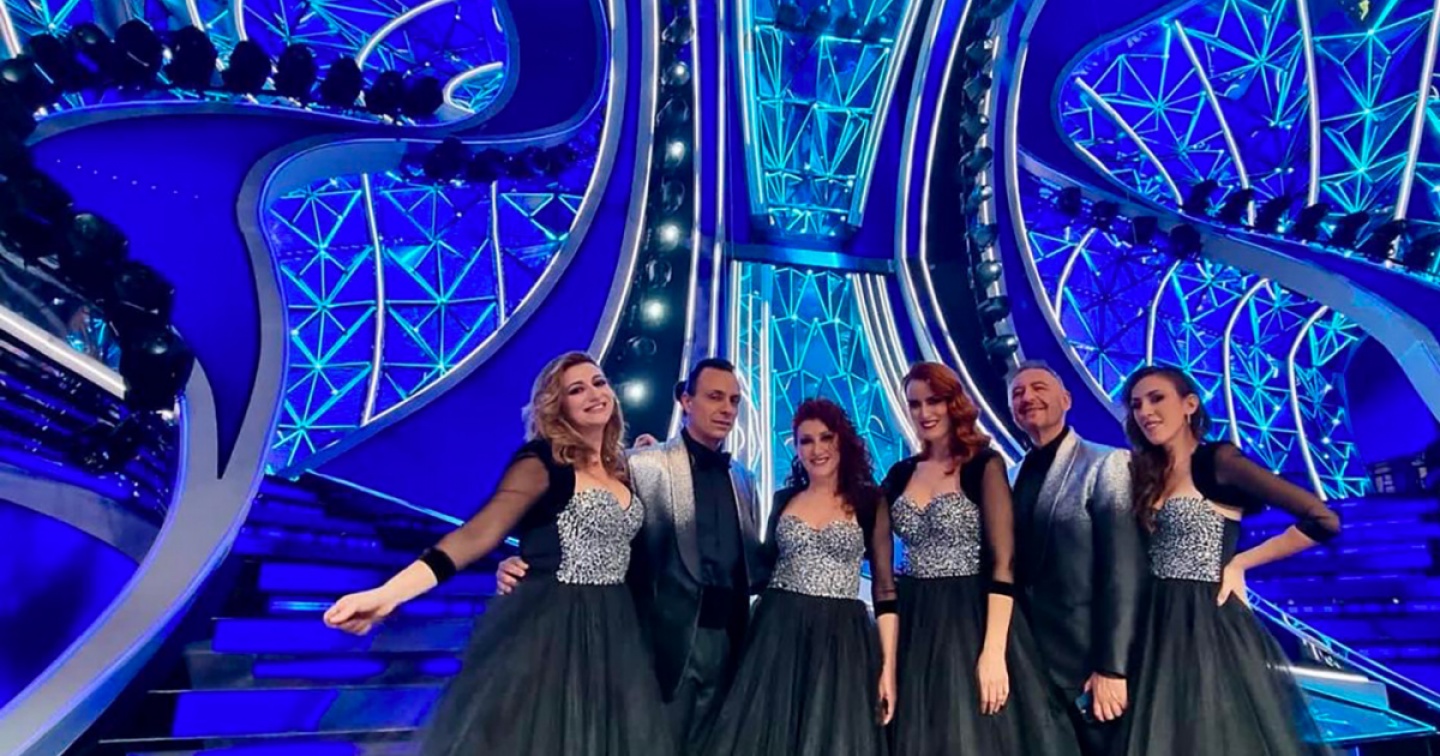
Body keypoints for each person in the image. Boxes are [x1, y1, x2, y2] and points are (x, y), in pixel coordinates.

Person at [321, 351, 673, 754]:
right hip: (552, 628)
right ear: (557, 407)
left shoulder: (624, 470)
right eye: (577, 390)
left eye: (599, 382)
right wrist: (387, 594)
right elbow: (476, 535)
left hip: (618, 631)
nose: (594, 394)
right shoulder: (541, 462)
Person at [496, 357, 765, 753]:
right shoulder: (641, 465)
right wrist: (525, 562)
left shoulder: (743, 479)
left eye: (734, 400)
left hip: (726, 644)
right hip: (661, 645)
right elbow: (587, 525)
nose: (726, 408)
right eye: (714, 397)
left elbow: (751, 565)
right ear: (686, 401)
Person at [1117, 364, 1340, 756]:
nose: (1145, 411)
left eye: (1156, 399)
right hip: (1152, 627)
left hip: (1208, 622)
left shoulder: (1218, 462)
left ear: (1189, 404)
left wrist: (1239, 564)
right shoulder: (1146, 473)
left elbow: (1322, 520)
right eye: (1136, 405)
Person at [882, 362, 1079, 755]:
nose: (924, 412)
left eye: (934, 401)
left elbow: (1003, 563)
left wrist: (993, 652)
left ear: (953, 403)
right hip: (915, 621)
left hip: (972, 618)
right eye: (915, 404)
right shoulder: (900, 474)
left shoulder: (983, 464)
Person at [701, 397, 896, 755]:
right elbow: (759, 567)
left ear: (842, 440)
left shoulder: (870, 502)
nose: (817, 449)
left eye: (826, 437)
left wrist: (888, 668)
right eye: (806, 440)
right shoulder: (784, 498)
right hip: (777, 633)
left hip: (841, 641)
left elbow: (884, 590)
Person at [1007, 360, 1146, 756]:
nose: (1028, 397)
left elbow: (1122, 570)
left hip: (1088, 663)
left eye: (1039, 388)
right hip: (1028, 661)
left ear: (1066, 400)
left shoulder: (1107, 463)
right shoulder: (1009, 476)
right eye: (1017, 393)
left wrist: (1112, 666)